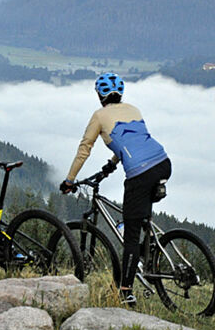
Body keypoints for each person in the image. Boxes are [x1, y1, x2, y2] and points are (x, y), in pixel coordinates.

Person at [59, 72, 172, 307]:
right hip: (163, 163)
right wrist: (111, 164)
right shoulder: (134, 109)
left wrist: (70, 180)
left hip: (139, 174)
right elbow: (134, 140)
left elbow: (84, 149)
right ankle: (148, 249)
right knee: (140, 217)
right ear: (120, 93)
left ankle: (125, 291)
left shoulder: (99, 116)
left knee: (130, 236)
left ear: (100, 95)